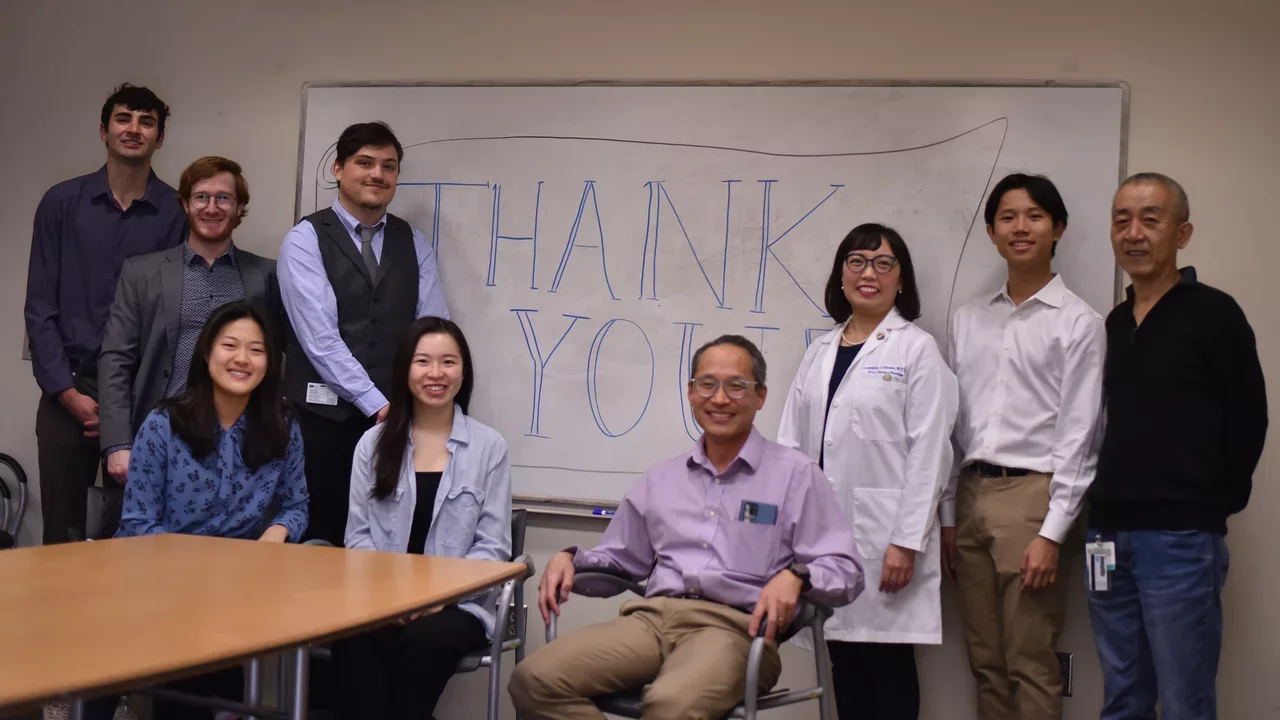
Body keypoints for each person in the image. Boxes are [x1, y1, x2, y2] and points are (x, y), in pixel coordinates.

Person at [510, 335, 864, 720]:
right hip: (650, 621)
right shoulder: (662, 477)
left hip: (735, 632)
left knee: (669, 706)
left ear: (760, 396)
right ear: (692, 393)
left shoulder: (796, 476)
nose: (720, 399)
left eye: (736, 386)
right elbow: (619, 560)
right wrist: (570, 560)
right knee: (534, 679)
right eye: (708, 385)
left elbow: (846, 570)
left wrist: (798, 577)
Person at [1086, 173, 1266, 720]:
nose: (1133, 233)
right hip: (1106, 537)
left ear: (1181, 233)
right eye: (1121, 220)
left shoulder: (1215, 313)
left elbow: (1249, 419)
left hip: (1181, 539)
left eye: (1150, 219)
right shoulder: (1113, 323)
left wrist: (1208, 506)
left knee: (1186, 700)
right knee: (1123, 696)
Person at [940, 173, 1106, 720]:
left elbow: (1081, 435)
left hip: (1033, 498)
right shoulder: (967, 319)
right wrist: (946, 515)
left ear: (1057, 228)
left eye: (1034, 216)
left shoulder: (1079, 323)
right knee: (984, 661)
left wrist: (1053, 531)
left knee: (1030, 661)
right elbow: (953, 426)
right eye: (1008, 217)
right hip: (970, 494)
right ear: (991, 232)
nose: (1020, 227)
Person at [778, 223, 957, 720]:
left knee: (889, 667)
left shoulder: (916, 349)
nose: (868, 273)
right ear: (841, 276)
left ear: (902, 279)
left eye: (883, 263)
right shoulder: (818, 352)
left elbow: (931, 453)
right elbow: (790, 448)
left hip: (886, 544)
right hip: (823, 543)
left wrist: (906, 540)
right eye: (856, 262)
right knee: (844, 664)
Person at [114, 300, 307, 719]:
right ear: (206, 354)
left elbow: (295, 504)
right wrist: (198, 567)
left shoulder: (283, 425)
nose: (242, 359)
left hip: (239, 591)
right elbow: (136, 524)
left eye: (256, 350)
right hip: (163, 582)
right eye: (230, 346)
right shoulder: (164, 424)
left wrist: (277, 532)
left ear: (270, 362)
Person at [25, 82, 186, 545]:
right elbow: (39, 309)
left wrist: (127, 404)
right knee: (64, 534)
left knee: (139, 533)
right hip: (67, 391)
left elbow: (175, 316)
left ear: (160, 137)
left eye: (146, 121)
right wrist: (65, 392)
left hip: (144, 396)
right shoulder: (61, 203)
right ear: (103, 130)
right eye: (124, 118)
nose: (134, 128)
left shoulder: (176, 213)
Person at [278, 121, 449, 546]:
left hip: (395, 425)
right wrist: (378, 404)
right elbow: (319, 339)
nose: (377, 174)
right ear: (337, 169)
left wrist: (417, 402)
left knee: (388, 542)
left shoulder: (415, 243)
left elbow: (432, 331)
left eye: (388, 166)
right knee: (322, 544)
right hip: (321, 425)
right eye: (365, 163)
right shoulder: (305, 240)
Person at [334, 316, 511, 719]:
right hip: (378, 599)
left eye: (448, 362)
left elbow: (494, 546)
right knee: (355, 639)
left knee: (424, 641)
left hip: (457, 605)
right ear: (405, 370)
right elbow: (357, 537)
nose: (436, 373)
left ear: (463, 371)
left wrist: (437, 597)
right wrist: (390, 597)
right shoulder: (373, 445)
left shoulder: (489, 447)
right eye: (423, 361)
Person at [99, 156, 280, 484]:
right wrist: (117, 443)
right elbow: (116, 360)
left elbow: (281, 359)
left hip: (240, 444)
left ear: (240, 207)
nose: (212, 207)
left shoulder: (267, 276)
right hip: (158, 437)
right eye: (201, 197)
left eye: (224, 198)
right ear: (185, 203)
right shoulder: (142, 273)